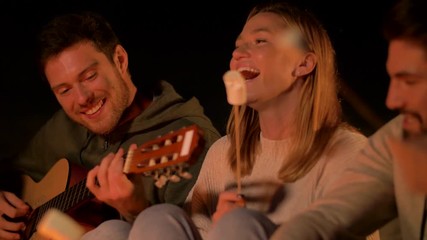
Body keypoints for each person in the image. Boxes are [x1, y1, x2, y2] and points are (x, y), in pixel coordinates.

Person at [87, 2, 374, 240]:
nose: (237, 54)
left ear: (304, 63)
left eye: (260, 41)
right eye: (238, 46)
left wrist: (238, 227)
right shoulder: (223, 154)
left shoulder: (347, 152)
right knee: (125, 227)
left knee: (238, 226)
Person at [0, 11, 220, 240]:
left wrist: (136, 210)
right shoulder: (64, 127)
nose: (82, 99)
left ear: (120, 60)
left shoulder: (190, 140)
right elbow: (12, 170)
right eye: (64, 90)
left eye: (89, 76)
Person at [264, 0, 427, 239]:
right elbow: (329, 219)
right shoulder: (398, 142)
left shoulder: (346, 146)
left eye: (409, 81)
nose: (392, 100)